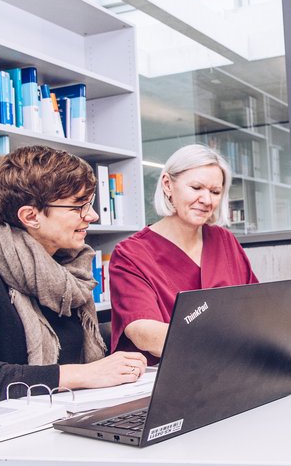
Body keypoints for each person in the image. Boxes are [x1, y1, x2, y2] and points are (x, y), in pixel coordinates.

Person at [0, 146, 147, 409]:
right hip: (8, 434)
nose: (93, 216)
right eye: (78, 206)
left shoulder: (70, 273)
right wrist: (84, 374)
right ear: (30, 216)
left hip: (64, 415)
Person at [110, 144, 258, 364]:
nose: (207, 200)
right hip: (166, 376)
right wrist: (221, 342)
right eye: (196, 187)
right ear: (168, 185)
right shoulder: (131, 254)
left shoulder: (224, 241)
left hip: (233, 367)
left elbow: (255, 306)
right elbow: (142, 331)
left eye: (215, 192)